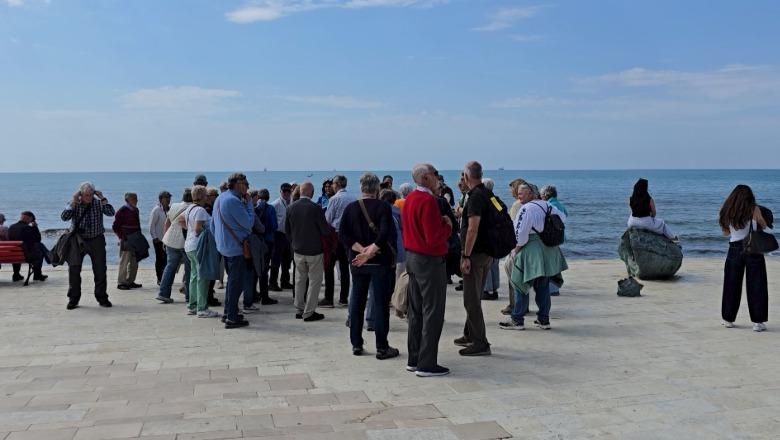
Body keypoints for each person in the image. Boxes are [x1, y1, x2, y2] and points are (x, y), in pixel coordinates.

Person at [339, 174, 399, 359]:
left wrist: (361, 251)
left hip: (358, 262)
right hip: (380, 261)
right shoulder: (383, 207)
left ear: (361, 187)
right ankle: (382, 346)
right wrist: (370, 251)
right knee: (380, 304)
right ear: (376, 189)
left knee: (357, 302)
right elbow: (384, 233)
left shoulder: (351, 208)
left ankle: (356, 343)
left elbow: (343, 234)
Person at [403, 164, 453, 376]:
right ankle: (427, 363)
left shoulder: (410, 199)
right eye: (434, 175)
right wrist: (448, 225)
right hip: (429, 260)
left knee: (416, 311)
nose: (437, 178)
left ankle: (414, 358)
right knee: (433, 311)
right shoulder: (428, 200)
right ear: (425, 177)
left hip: (412, 257)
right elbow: (433, 238)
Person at [500, 183, 568, 331]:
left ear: (531, 194)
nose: (519, 196)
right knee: (542, 286)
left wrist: (515, 250)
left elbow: (520, 234)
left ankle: (517, 320)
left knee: (521, 284)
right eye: (518, 193)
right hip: (547, 249)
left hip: (530, 249)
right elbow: (563, 219)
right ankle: (544, 320)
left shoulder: (526, 209)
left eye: (522, 193)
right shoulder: (548, 205)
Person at [719, 185, 772, 332]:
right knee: (757, 285)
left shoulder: (727, 210)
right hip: (753, 249)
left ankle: (728, 319)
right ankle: (758, 322)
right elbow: (764, 225)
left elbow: (725, 233)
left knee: (731, 284)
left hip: (734, 249)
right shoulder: (753, 209)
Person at [456, 161, 492, 356]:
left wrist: (466, 255)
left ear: (468, 176)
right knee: (475, 296)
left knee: (471, 300)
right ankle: (469, 333)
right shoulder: (487, 194)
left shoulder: (475, 197)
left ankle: (480, 342)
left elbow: (472, 229)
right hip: (486, 253)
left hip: (475, 255)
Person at [61, 181, 115, 310]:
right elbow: (64, 217)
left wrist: (102, 198)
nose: (89, 197)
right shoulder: (75, 204)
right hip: (77, 241)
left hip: (97, 239)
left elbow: (111, 212)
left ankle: (102, 298)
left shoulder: (98, 203)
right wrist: (73, 201)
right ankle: (73, 299)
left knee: (100, 270)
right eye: (86, 195)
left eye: (91, 195)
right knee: (74, 270)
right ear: (81, 194)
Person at [212, 173, 255, 329]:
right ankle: (231, 317)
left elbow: (212, 225)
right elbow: (249, 223)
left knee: (232, 282)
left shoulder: (220, 198)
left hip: (225, 246)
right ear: (238, 184)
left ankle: (228, 312)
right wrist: (249, 205)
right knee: (236, 283)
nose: (248, 187)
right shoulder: (233, 200)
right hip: (236, 248)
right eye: (246, 183)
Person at [285, 181, 331, 322]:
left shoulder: (291, 207)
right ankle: (309, 311)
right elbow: (325, 230)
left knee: (299, 280)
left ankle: (299, 308)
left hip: (298, 249)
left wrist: (293, 243)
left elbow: (287, 230)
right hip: (314, 250)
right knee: (314, 282)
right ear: (311, 193)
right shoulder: (315, 208)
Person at [179, 185, 220, 318]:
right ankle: (202, 308)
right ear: (202, 196)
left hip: (189, 245)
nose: (208, 198)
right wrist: (206, 232)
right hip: (199, 247)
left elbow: (179, 220)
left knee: (194, 276)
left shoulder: (190, 208)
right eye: (206, 195)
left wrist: (189, 229)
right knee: (203, 277)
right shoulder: (201, 210)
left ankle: (192, 305)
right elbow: (197, 228)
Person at [323, 175, 356, 307]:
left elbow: (328, 219)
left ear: (337, 184)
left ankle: (329, 298)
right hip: (349, 236)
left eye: (333, 184)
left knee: (329, 267)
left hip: (336, 235)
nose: (331, 186)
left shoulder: (334, 199)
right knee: (344, 267)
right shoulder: (353, 198)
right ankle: (343, 298)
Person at [156, 189, 193, 304]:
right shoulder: (193, 208)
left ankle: (163, 294)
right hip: (185, 242)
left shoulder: (174, 206)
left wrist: (164, 240)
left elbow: (167, 223)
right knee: (189, 269)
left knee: (170, 267)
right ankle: (189, 296)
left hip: (170, 240)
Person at [112, 192, 143, 290]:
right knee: (124, 261)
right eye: (134, 198)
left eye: (136, 198)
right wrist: (121, 237)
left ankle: (130, 281)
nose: (136, 200)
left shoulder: (135, 210)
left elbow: (137, 225)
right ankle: (121, 282)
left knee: (134, 261)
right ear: (127, 200)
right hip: (126, 239)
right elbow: (115, 226)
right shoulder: (122, 210)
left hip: (136, 239)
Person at [8, 211, 47, 282]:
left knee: (18, 250)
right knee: (39, 251)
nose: (30, 222)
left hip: (13, 255)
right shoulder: (27, 228)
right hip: (27, 256)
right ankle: (37, 275)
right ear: (29, 218)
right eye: (31, 220)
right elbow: (38, 239)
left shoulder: (11, 227)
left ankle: (16, 274)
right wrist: (35, 227)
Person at [255, 188, 279, 305]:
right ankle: (265, 297)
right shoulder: (270, 209)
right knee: (264, 269)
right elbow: (274, 225)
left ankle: (253, 294)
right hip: (268, 241)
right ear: (268, 197)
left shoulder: (254, 208)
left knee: (255, 269)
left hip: (256, 242)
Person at [270, 183, 294, 291]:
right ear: (280, 192)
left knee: (287, 260)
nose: (286, 193)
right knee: (276, 260)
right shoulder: (275, 204)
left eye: (288, 191)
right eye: (284, 191)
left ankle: (285, 282)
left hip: (288, 235)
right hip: (278, 235)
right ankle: (273, 283)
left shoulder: (293, 203)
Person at [481, 178, 500, 301]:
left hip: (487, 236)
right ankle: (494, 288)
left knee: (486, 264)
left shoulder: (483, 200)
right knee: (494, 264)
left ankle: (487, 290)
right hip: (497, 236)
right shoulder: (495, 200)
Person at [149, 191, 171, 285]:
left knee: (167, 260)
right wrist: (155, 238)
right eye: (166, 198)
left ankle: (164, 278)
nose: (168, 200)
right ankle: (159, 278)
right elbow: (151, 226)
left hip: (168, 240)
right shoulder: (156, 210)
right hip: (158, 240)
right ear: (161, 199)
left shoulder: (170, 209)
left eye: (169, 198)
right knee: (160, 260)